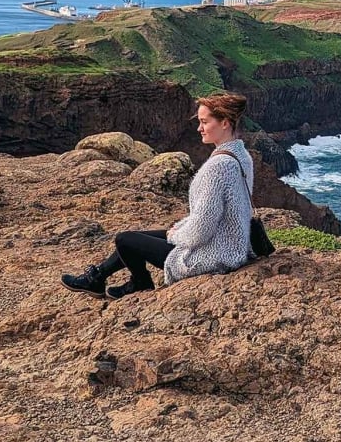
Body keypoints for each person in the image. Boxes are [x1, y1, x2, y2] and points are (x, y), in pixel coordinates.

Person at [62, 92, 254, 299]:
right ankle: (97, 278)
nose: (199, 128)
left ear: (224, 123)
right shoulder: (241, 155)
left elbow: (202, 227)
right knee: (140, 237)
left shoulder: (218, 166)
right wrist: (180, 228)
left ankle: (140, 282)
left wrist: (175, 235)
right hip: (231, 246)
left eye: (204, 122)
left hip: (211, 255)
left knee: (125, 239)